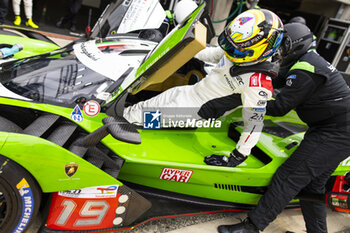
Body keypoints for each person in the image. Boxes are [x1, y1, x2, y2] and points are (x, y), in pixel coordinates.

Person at [217, 23, 350, 233]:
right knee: (311, 187)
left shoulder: (306, 70)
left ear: (294, 46)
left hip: (335, 133)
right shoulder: (307, 61)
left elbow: (279, 107)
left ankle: (251, 228)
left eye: (282, 46)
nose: (278, 51)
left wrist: (245, 101)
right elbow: (276, 76)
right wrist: (245, 74)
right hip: (334, 129)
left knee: (288, 177)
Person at [124, 8, 284, 167]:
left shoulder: (258, 84)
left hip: (190, 112)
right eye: (231, 45)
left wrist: (237, 156)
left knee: (138, 119)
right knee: (133, 111)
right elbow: (212, 54)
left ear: (261, 48)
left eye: (238, 49)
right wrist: (182, 45)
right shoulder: (236, 47)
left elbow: (254, 124)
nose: (231, 51)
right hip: (187, 93)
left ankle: (111, 159)